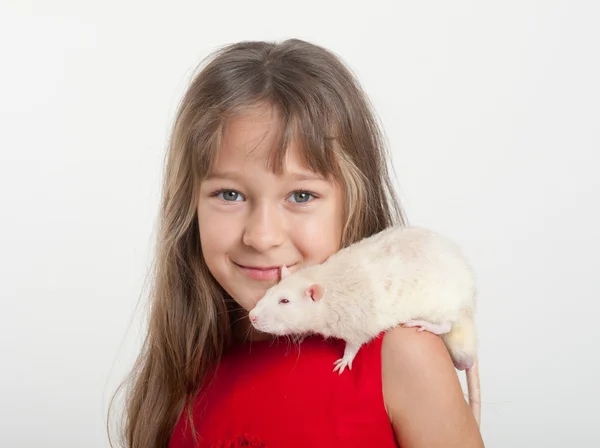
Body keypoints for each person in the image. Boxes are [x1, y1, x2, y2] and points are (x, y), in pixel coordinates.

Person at [109, 38, 484, 448]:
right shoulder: (186, 375)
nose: (263, 236)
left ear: (353, 204)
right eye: (230, 194)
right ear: (190, 206)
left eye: (301, 196)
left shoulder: (402, 356)